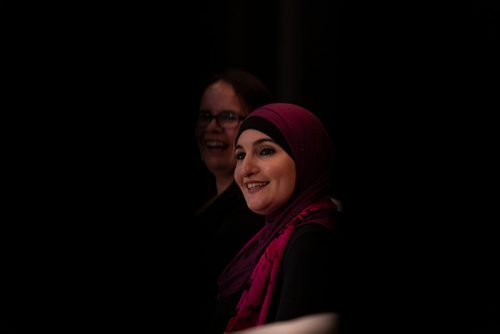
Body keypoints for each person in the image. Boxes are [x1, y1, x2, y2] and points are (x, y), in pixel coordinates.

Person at [215, 103, 345, 333]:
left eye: (265, 151)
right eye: (240, 155)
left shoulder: (313, 240)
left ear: (305, 155)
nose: (245, 169)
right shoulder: (271, 234)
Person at [192, 69, 274, 331]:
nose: (212, 127)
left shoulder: (251, 213)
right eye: (206, 116)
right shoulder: (206, 199)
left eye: (227, 117)